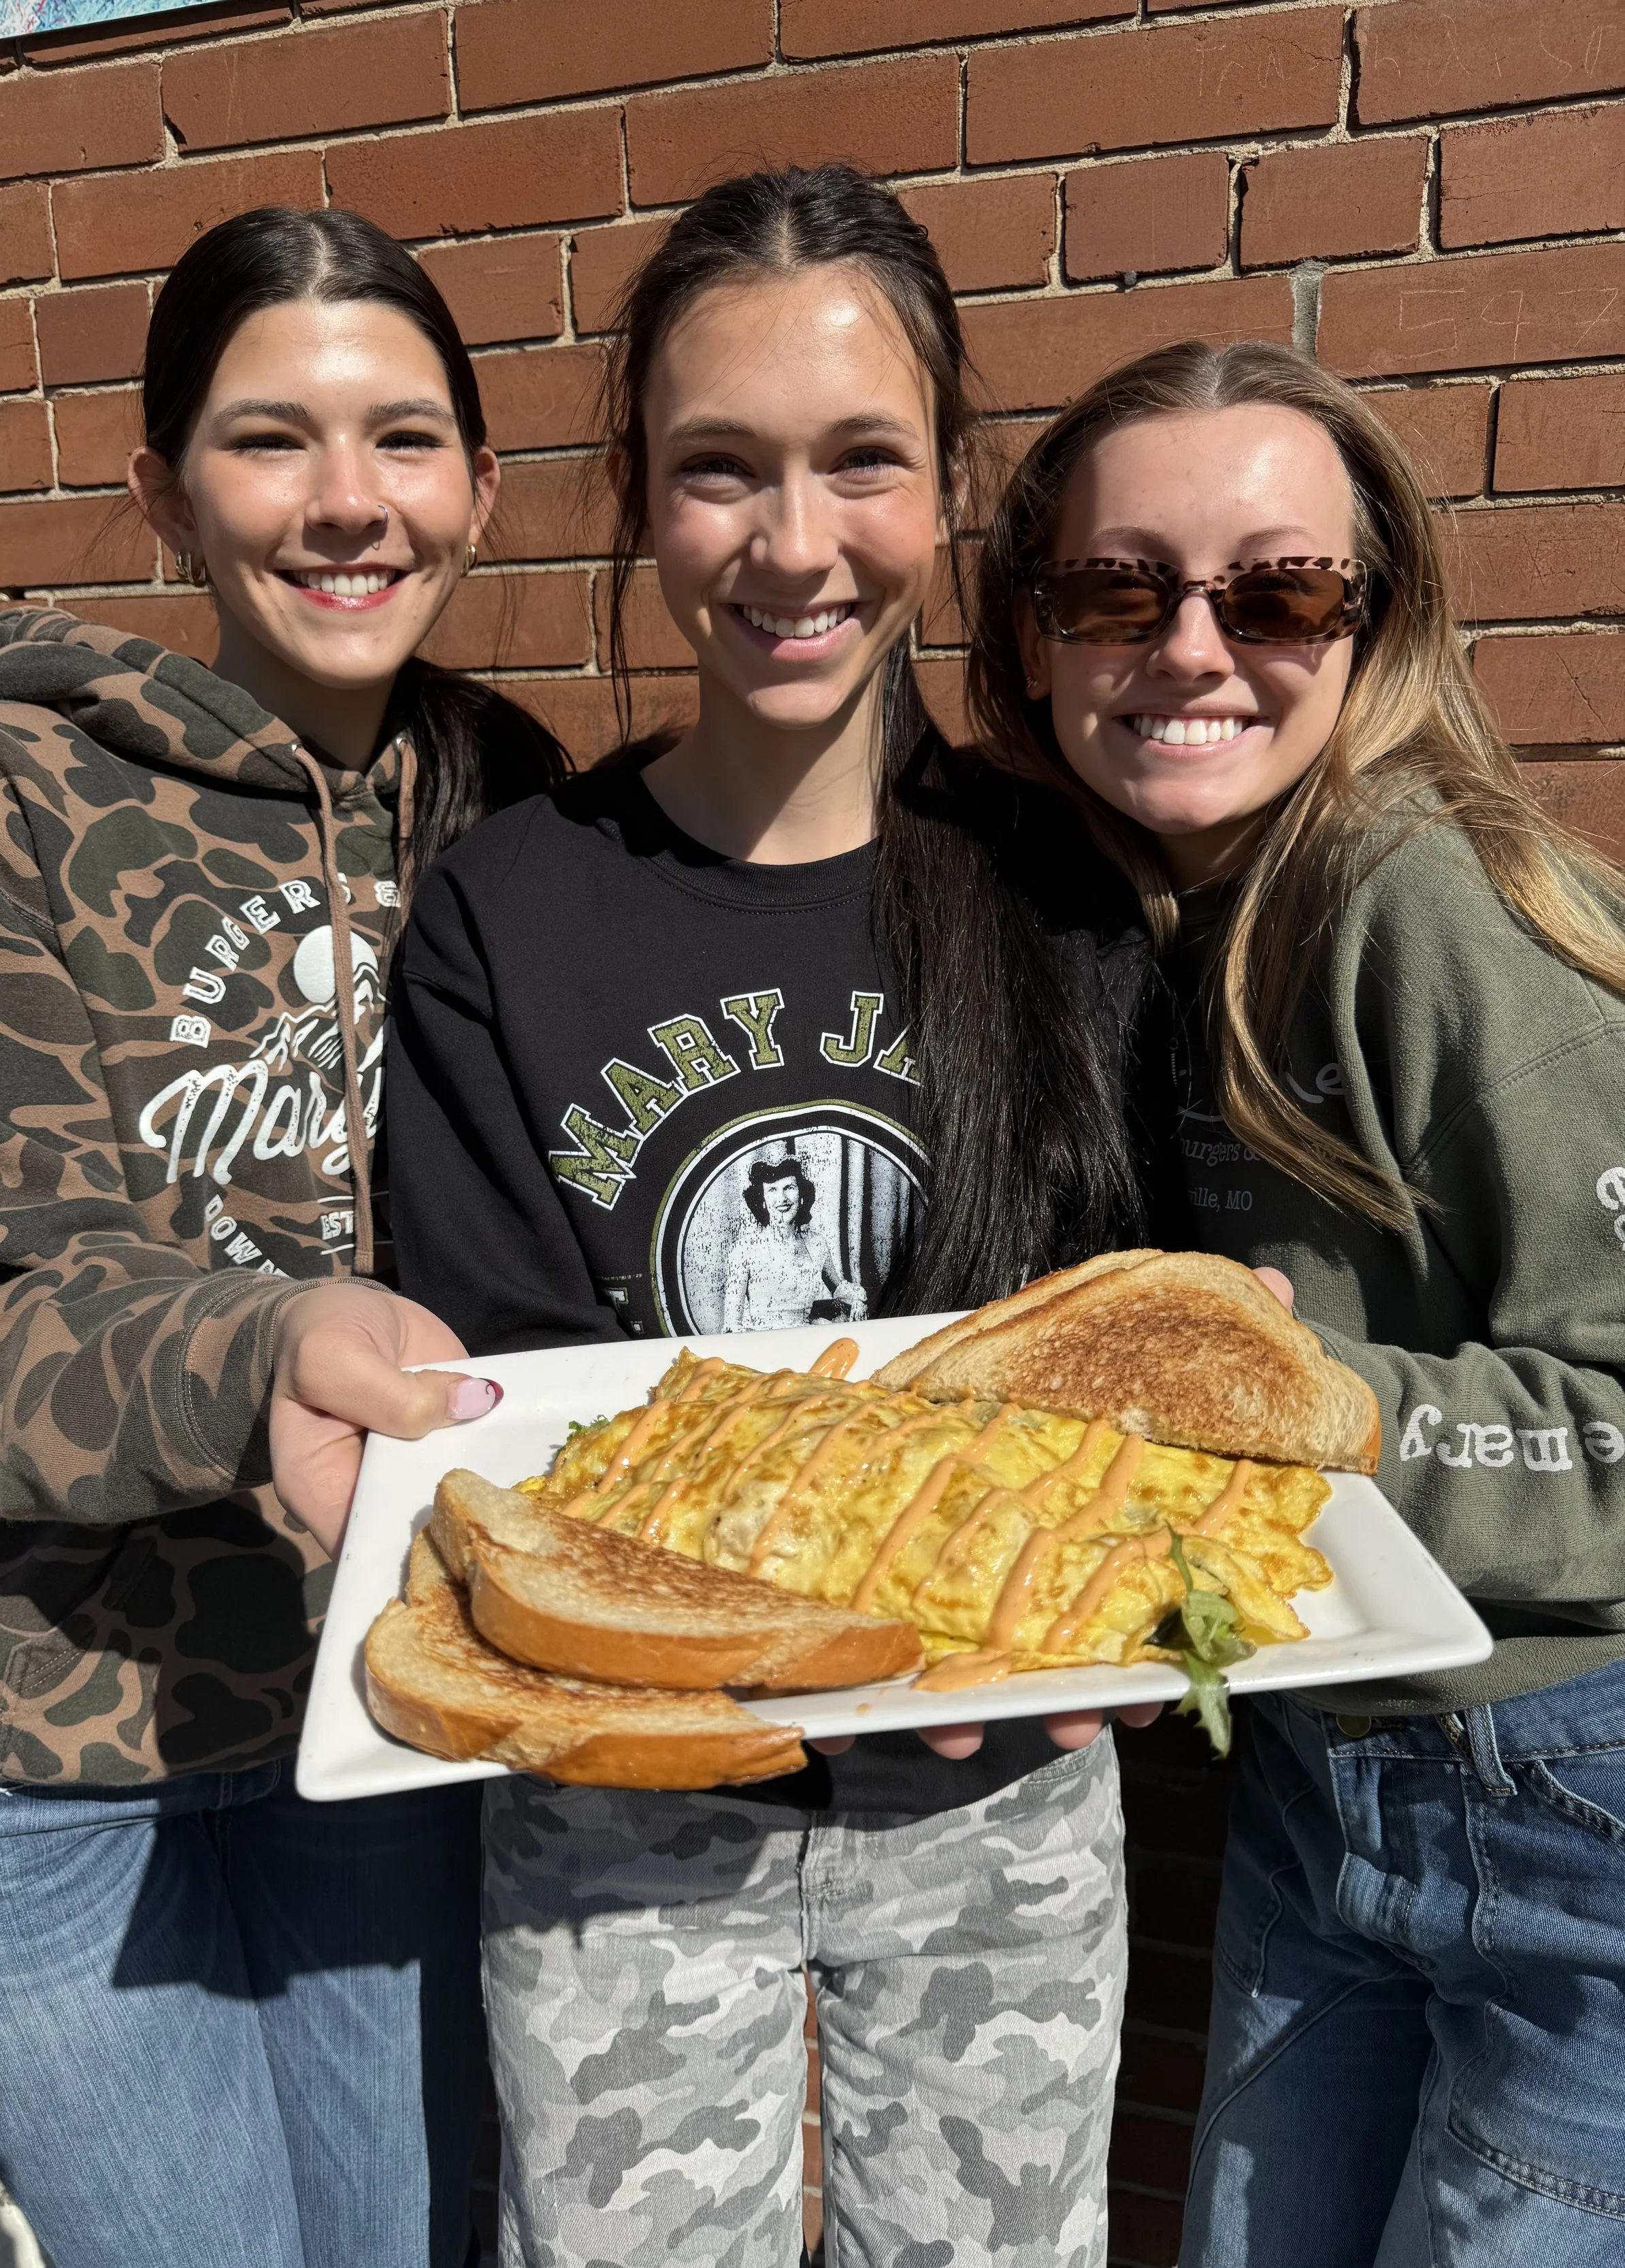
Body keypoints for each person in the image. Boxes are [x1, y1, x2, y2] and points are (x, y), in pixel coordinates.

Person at [387, 165, 1166, 2268]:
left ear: (945, 490)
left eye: (858, 464)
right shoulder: (508, 910)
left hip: (1000, 1773)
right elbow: (516, 1409)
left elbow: (1112, 1359)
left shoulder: (1065, 885)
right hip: (621, 1797)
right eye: (719, 469)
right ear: (639, 493)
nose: (790, 542)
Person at [0, 205, 566, 2268]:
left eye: (402, 439)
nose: (346, 503)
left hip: (379, 1702)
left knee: (407, 2238)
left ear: (481, 481)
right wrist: (260, 1349)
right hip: (50, 1744)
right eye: (270, 440)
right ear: (161, 492)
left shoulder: (516, 803)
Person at [971, 338, 1625, 2268]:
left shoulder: (1424, 896)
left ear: (1371, 622)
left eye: (1276, 590)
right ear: (1030, 634)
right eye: (1114, 587)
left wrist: (1309, 1397)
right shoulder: (1153, 911)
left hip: (1565, 1784)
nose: (1190, 644)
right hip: (1320, 1759)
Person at [720, 1153, 868, 1330]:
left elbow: (837, 1288)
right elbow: (732, 1324)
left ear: (802, 1196)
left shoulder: (816, 1243)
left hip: (807, 1336)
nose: (782, 1199)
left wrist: (858, 1298)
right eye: (772, 1190)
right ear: (763, 1202)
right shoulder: (744, 1249)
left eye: (789, 1188)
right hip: (763, 1341)